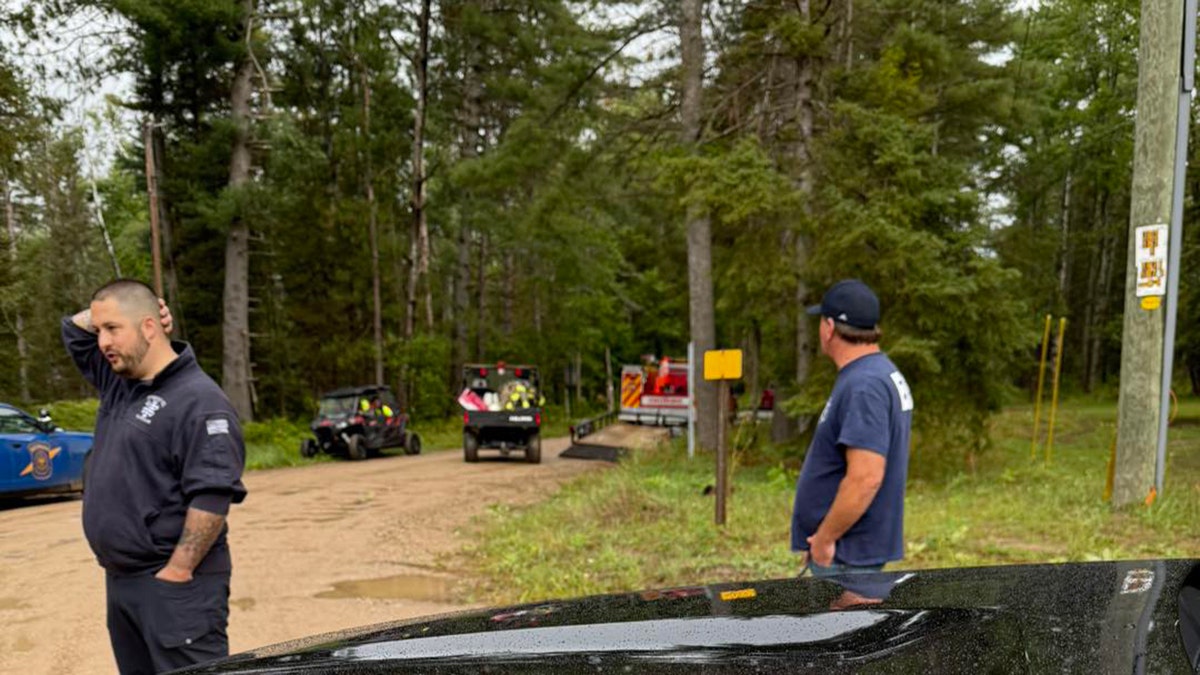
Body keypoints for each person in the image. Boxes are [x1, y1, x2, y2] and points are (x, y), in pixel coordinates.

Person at [61, 279, 247, 675]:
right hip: (123, 582)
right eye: (100, 329)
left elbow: (212, 498)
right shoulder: (119, 383)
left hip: (175, 586)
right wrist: (111, 313)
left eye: (113, 329)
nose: (102, 341)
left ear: (149, 328)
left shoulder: (200, 401)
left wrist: (177, 571)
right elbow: (72, 330)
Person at [792, 279, 913, 578]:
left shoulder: (865, 385)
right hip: (849, 552)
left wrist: (825, 539)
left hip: (848, 556)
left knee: (847, 627)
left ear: (829, 327)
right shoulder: (876, 372)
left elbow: (866, 477)